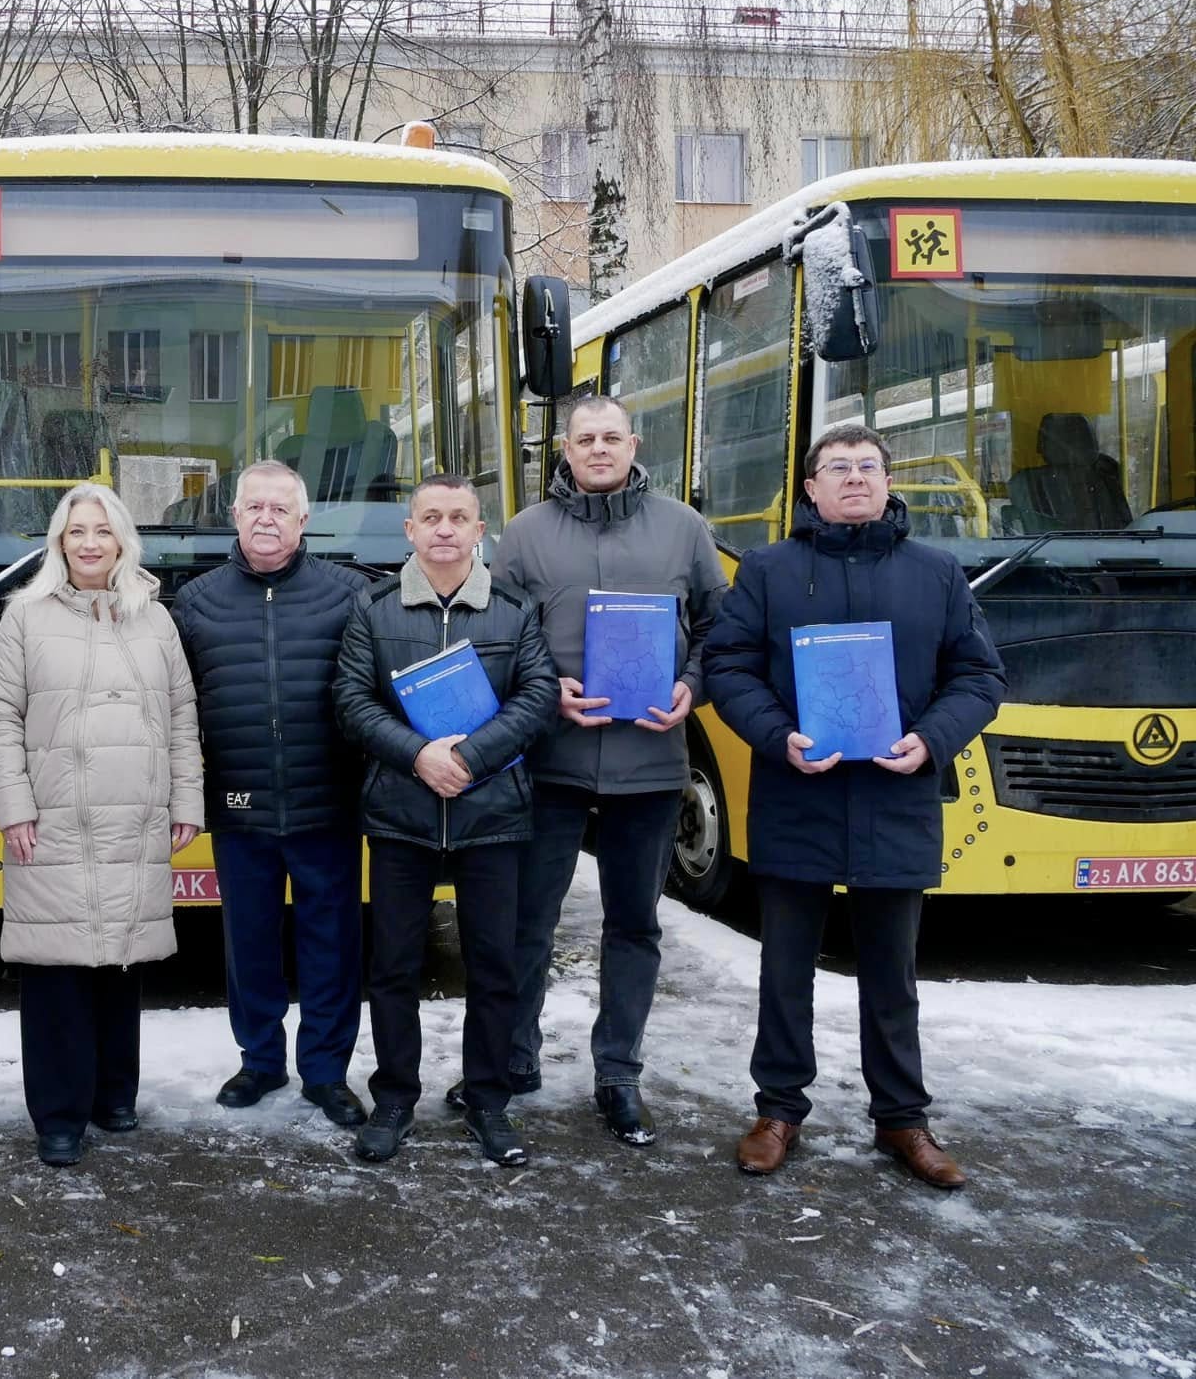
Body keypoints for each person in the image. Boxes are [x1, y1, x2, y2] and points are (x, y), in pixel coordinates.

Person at [702, 423, 1004, 1188]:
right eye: (838, 468)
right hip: (797, 790)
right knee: (785, 969)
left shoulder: (936, 574)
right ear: (811, 489)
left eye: (870, 466)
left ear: (889, 479)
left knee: (892, 973)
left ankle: (902, 1120)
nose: (856, 479)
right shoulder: (769, 571)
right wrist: (778, 736)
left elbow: (979, 677)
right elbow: (729, 666)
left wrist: (930, 740)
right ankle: (777, 1111)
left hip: (894, 796)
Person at [485, 395, 727, 1147]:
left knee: (634, 926)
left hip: (652, 765)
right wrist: (544, 690)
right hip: (550, 762)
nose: (597, 449)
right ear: (564, 448)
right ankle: (513, 1062)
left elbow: (721, 630)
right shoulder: (524, 536)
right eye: (583, 438)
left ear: (633, 443)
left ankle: (617, 1073)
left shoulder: (684, 529)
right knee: (530, 922)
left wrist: (693, 684)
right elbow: (499, 637)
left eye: (609, 437)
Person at [333, 474, 557, 1166]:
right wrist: (418, 755)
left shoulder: (514, 612)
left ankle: (488, 1100)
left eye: (459, 517)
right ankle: (395, 1096)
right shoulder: (373, 610)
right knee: (393, 965)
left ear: (479, 528)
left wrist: (469, 754)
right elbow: (350, 699)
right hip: (402, 814)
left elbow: (538, 695)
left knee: (493, 967)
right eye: (430, 516)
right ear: (409, 530)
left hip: (492, 815)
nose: (444, 529)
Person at [0, 484, 204, 1166]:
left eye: (101, 531)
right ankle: (57, 1114)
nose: (88, 543)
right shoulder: (24, 618)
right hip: (54, 818)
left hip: (135, 814)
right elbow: (0, 719)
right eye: (75, 532)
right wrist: (13, 806)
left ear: (122, 541)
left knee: (121, 962)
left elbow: (181, 718)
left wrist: (186, 801)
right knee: (57, 969)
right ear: (57, 542)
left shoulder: (155, 620)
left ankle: (114, 1095)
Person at [172, 461, 368, 1128]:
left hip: (328, 805)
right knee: (248, 942)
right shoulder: (195, 603)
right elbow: (174, 710)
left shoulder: (348, 596)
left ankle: (325, 1071)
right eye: (253, 506)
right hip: (239, 808)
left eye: (280, 509)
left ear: (304, 520)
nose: (265, 519)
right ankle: (260, 1060)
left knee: (330, 944)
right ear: (232, 516)